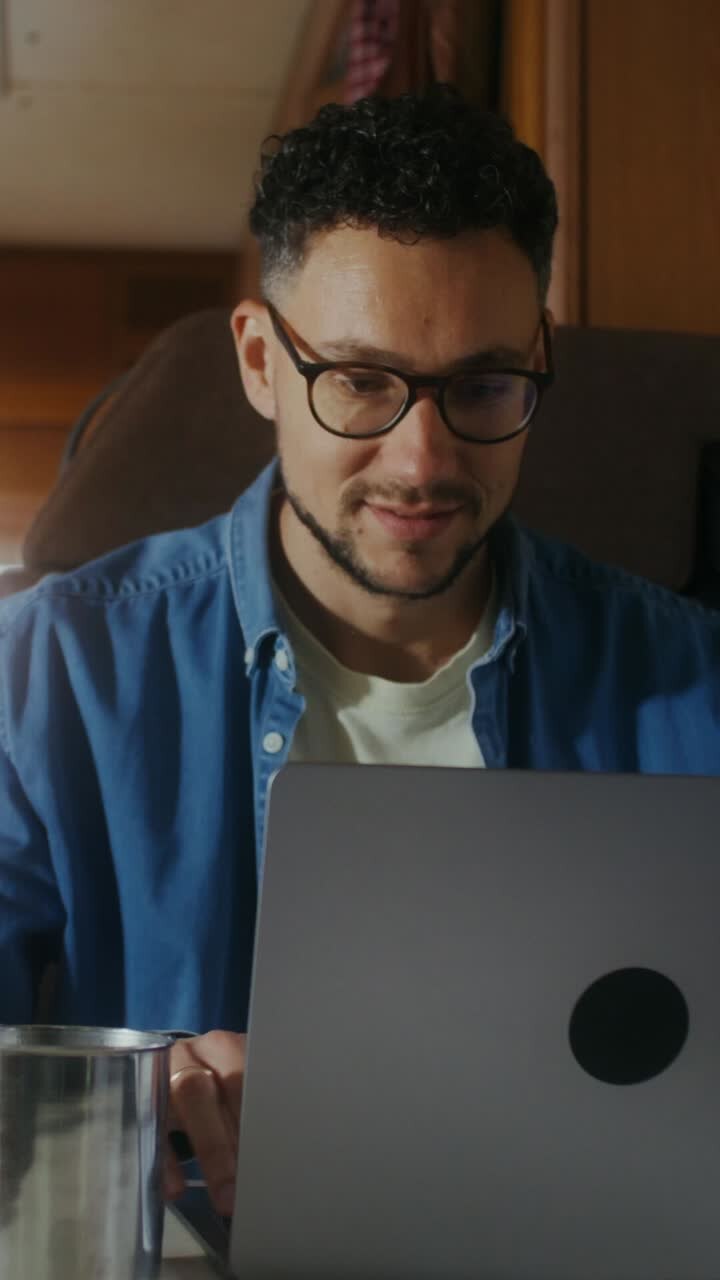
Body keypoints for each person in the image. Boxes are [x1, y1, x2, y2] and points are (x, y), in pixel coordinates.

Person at [1, 87, 719, 1215]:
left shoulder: (696, 683)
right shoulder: (51, 670)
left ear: (536, 358)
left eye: (483, 385)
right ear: (259, 361)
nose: (422, 460)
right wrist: (124, 1091)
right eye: (362, 382)